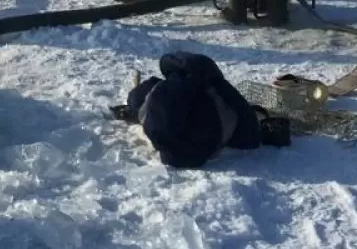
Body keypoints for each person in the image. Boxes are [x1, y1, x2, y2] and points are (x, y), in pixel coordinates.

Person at [112, 52, 278, 168]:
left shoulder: (161, 94)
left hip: (183, 136)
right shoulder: (213, 88)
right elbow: (248, 132)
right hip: (201, 134)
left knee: (139, 97)